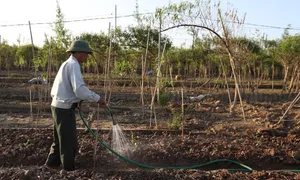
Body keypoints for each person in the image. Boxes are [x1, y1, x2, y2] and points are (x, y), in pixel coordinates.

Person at [45, 40, 106, 171]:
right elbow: (79, 89)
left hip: (57, 106)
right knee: (68, 142)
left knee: (59, 139)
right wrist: (98, 98)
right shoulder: (74, 65)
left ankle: (52, 164)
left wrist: (76, 101)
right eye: (86, 54)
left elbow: (65, 88)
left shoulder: (66, 63)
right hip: (64, 109)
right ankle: (68, 170)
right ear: (78, 53)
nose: (87, 57)